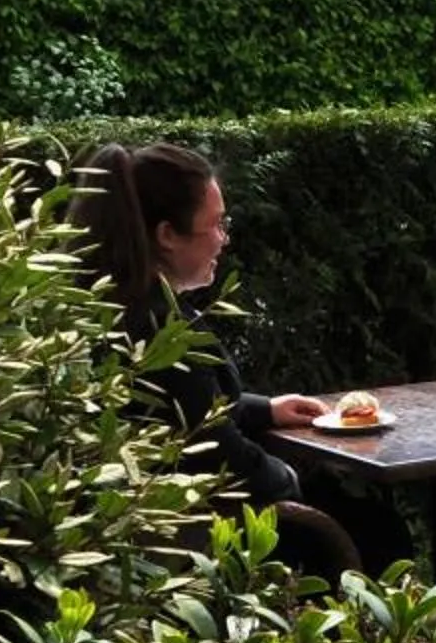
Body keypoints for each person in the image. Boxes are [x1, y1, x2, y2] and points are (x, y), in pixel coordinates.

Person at [68, 141, 406, 573]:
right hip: (199, 544)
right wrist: (287, 475)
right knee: (380, 533)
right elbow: (221, 456)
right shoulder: (163, 333)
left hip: (136, 531)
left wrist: (266, 409)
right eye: (216, 225)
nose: (224, 239)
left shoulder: (115, 306)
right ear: (168, 235)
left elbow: (184, 409)